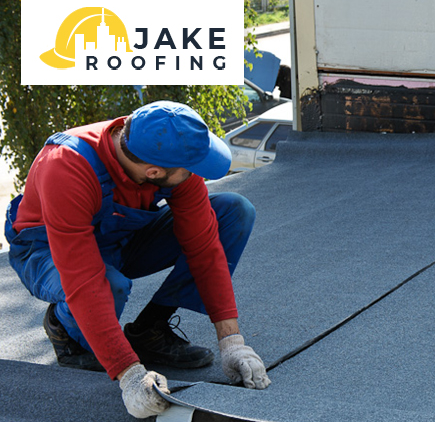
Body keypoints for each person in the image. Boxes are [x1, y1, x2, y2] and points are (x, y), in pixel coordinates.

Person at [4, 101, 271, 418]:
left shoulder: (162, 153)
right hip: (47, 249)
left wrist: (232, 341)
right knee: (109, 285)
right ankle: (64, 329)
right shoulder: (66, 167)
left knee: (233, 212)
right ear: (154, 172)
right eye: (192, 168)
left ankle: (150, 329)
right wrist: (128, 373)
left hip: (119, 238)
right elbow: (84, 279)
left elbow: (204, 247)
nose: (196, 173)